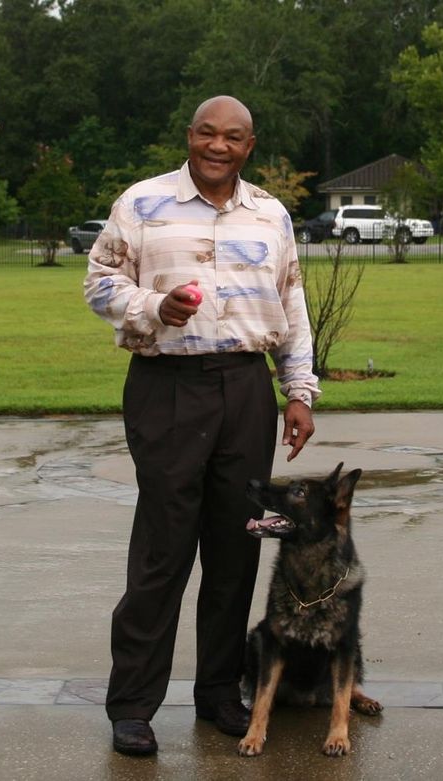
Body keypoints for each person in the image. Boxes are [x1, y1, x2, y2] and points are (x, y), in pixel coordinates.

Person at [84, 95, 320, 756]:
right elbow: (99, 281)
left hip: (247, 387)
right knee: (164, 548)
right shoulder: (144, 202)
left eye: (234, 137)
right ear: (190, 135)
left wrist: (297, 390)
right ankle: (133, 702)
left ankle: (219, 692)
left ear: (250, 145)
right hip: (167, 386)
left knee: (236, 544)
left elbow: (291, 301)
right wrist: (156, 305)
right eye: (208, 133)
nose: (219, 146)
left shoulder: (270, 213)